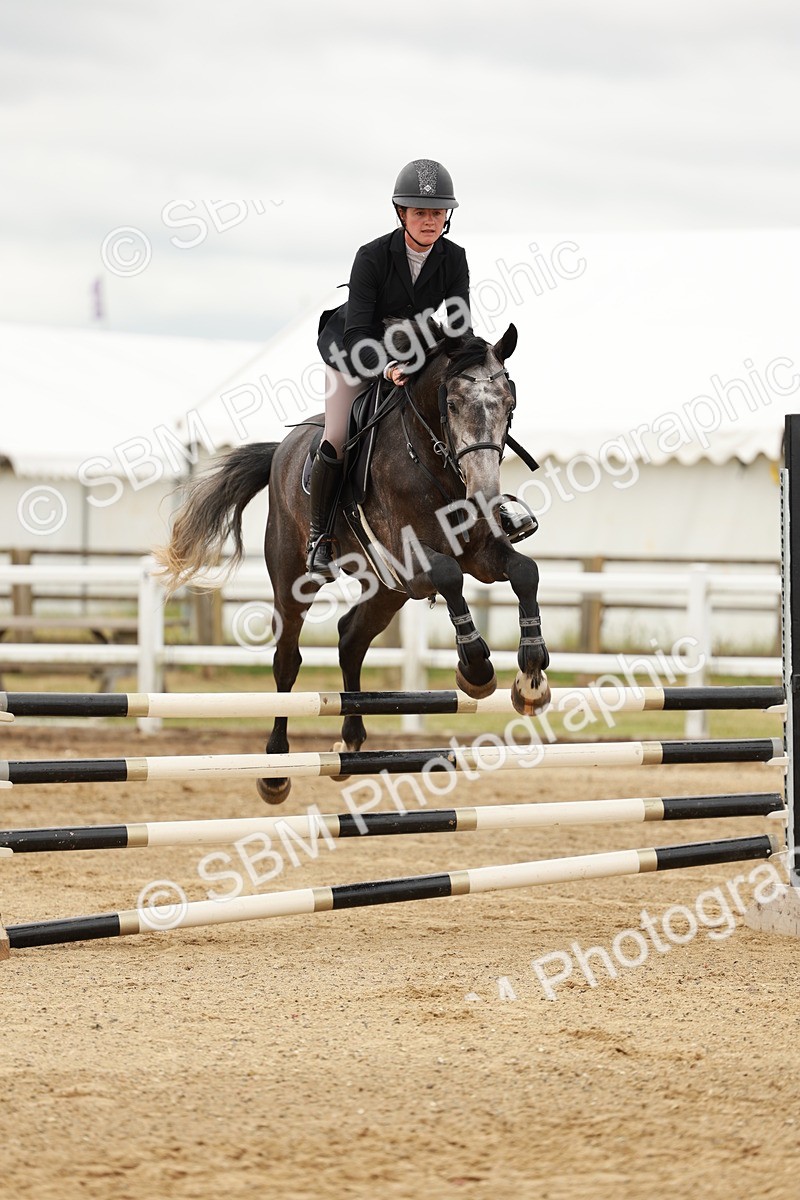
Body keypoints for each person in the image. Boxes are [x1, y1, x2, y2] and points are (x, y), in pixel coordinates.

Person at [310, 158, 534, 579]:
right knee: (337, 436)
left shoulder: (454, 257)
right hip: (357, 351)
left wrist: (481, 363)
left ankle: (486, 511)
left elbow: (460, 327)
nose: (430, 221)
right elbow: (359, 332)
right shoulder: (372, 257)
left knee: (465, 414)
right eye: (420, 212)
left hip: (418, 349)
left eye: (437, 213)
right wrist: (387, 368)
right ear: (402, 214)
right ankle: (319, 537)